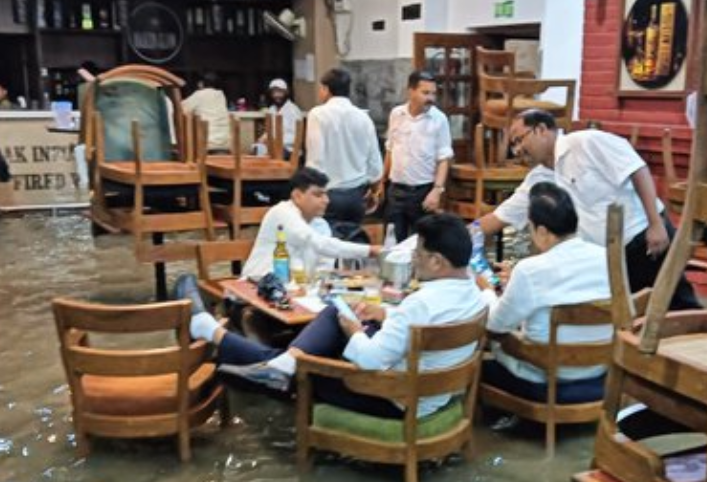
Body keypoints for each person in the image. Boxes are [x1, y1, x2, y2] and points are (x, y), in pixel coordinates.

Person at [174, 214, 486, 417]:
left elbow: (371, 360)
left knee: (309, 365)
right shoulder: (475, 292)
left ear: (436, 262)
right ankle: (280, 363)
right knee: (334, 311)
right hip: (432, 394)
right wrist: (385, 316)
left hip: (393, 398)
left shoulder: (421, 303)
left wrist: (354, 330)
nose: (414, 261)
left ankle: (221, 337)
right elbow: (426, 327)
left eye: (417, 255)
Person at [477, 109, 700, 309]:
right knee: (632, 316)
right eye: (513, 145)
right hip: (608, 258)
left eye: (519, 140)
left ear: (541, 129)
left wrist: (655, 223)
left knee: (676, 304)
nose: (517, 150)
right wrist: (463, 235)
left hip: (643, 238)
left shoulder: (587, 142)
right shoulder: (538, 179)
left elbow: (637, 170)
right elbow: (501, 215)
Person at [479, 182, 611, 404]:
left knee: (484, 352)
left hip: (546, 377)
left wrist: (487, 292)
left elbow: (494, 326)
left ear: (541, 230)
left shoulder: (530, 270)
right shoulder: (607, 257)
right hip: (598, 371)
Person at [242, 167, 381, 279]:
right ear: (297, 195)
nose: (326, 200)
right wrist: (369, 250)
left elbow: (325, 266)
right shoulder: (282, 212)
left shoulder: (321, 225)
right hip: (257, 286)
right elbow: (317, 243)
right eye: (318, 195)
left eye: (326, 194)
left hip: (295, 293)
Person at [305, 67, 382, 242]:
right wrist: (374, 191)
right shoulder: (363, 117)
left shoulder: (318, 114)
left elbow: (315, 161)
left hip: (329, 195)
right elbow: (375, 164)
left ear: (325, 89)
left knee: (328, 249)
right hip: (357, 197)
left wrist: (310, 193)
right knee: (352, 248)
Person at [375, 71, 453, 242]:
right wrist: (382, 182)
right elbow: (390, 149)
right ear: (410, 91)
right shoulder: (396, 114)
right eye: (425, 93)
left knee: (424, 245)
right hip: (396, 191)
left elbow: (443, 159)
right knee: (393, 244)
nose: (431, 98)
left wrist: (437, 191)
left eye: (433, 93)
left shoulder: (439, 119)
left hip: (423, 193)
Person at [182, 72, 231, 154]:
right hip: (225, 142)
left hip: (207, 142)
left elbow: (183, 108)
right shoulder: (221, 95)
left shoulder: (199, 94)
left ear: (201, 83)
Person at [260, 78, 302, 159]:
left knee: (274, 155)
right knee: (256, 149)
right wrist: (263, 138)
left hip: (290, 150)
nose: (276, 95)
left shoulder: (294, 110)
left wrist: (276, 141)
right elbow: (270, 132)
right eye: (274, 92)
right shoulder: (271, 110)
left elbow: (296, 137)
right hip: (273, 147)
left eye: (279, 92)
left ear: (286, 92)